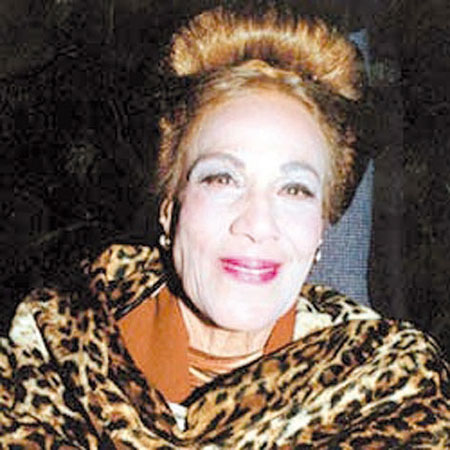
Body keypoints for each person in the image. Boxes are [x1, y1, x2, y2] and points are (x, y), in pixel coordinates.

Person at [1, 6, 449, 448]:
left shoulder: (390, 390)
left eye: (295, 190)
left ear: (321, 229)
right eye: (222, 179)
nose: (257, 224)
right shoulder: (49, 351)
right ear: (169, 209)